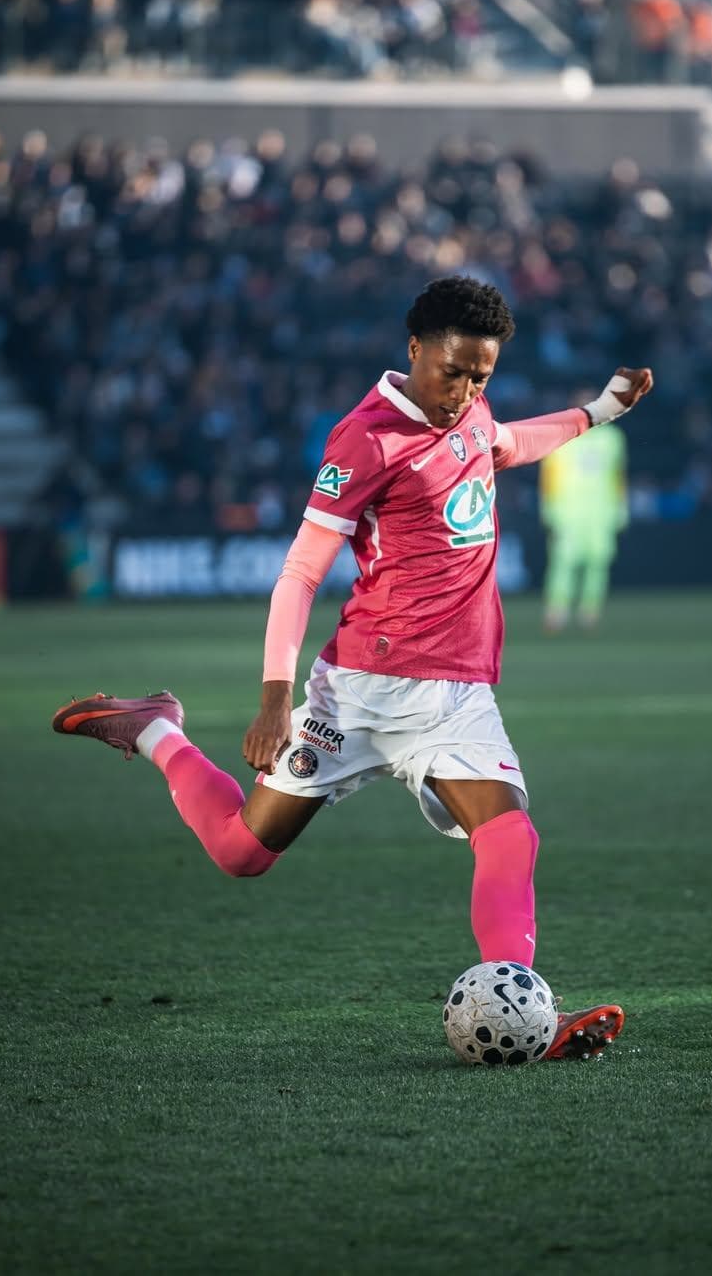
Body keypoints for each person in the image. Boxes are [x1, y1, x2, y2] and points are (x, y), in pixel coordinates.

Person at [52, 276, 653, 1060]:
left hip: (456, 698)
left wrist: (599, 411)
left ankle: (519, 1012)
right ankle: (159, 731)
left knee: (510, 836)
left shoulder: (470, 411)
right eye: (452, 372)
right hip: (359, 695)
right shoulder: (363, 441)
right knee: (241, 852)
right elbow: (300, 573)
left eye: (481, 376)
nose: (464, 391)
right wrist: (273, 698)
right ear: (414, 350)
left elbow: (507, 444)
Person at [539, 387, 628, 632]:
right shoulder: (561, 436)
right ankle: (556, 611)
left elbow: (618, 476)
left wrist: (620, 509)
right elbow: (550, 478)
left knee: (598, 561)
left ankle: (590, 611)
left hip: (601, 511)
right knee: (563, 562)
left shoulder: (612, 438)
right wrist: (549, 510)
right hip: (568, 512)